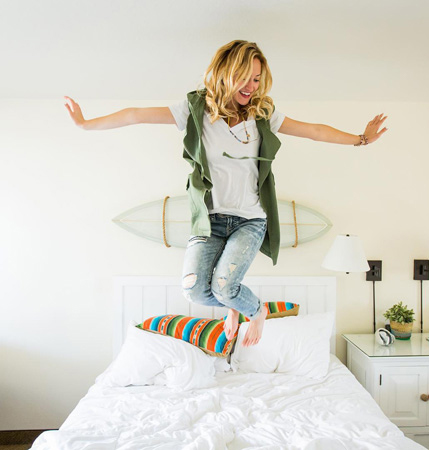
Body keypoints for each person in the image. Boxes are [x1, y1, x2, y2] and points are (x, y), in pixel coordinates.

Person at [64, 39, 388, 348]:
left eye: (257, 79)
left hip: (250, 220)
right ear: (224, 74)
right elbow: (136, 114)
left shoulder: (263, 115)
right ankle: (235, 305)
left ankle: (255, 310)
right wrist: (86, 124)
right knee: (193, 290)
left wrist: (360, 139)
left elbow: (314, 131)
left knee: (223, 286)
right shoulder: (195, 109)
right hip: (211, 220)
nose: (251, 87)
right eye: (243, 78)